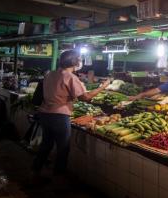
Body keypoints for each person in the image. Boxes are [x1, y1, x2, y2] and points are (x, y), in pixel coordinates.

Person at [31, 50, 110, 181]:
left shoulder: (50, 74)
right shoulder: (70, 77)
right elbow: (86, 97)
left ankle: (34, 172)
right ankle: (58, 178)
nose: (81, 62)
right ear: (74, 62)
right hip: (59, 117)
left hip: (45, 114)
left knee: (46, 144)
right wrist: (103, 86)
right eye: (79, 59)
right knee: (63, 148)